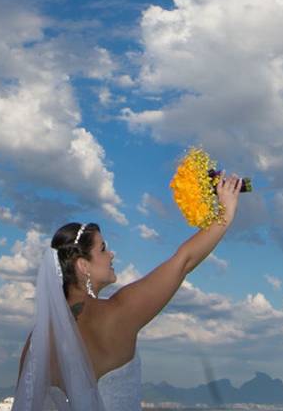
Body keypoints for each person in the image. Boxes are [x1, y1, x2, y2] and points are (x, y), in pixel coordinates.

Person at [14, 172, 243, 410]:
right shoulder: (117, 313)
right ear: (83, 266)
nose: (111, 254)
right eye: (102, 249)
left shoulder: (37, 341)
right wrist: (226, 211)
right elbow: (183, 262)